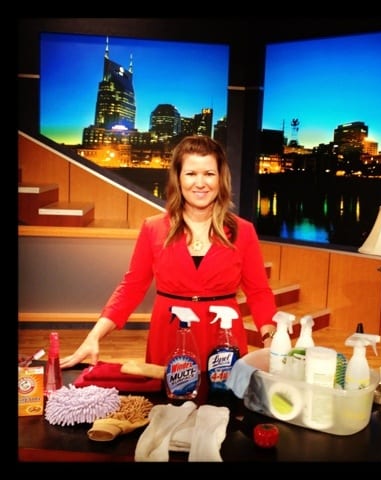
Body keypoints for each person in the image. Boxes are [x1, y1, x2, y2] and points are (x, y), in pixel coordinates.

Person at [60, 135, 278, 371]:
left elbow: (259, 292)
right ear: (178, 178)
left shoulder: (244, 231)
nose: (200, 183)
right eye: (191, 173)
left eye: (209, 173)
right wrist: (93, 336)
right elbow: (132, 287)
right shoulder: (153, 228)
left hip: (223, 339)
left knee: (224, 395)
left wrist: (270, 340)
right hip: (169, 336)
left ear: (221, 178)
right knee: (166, 395)